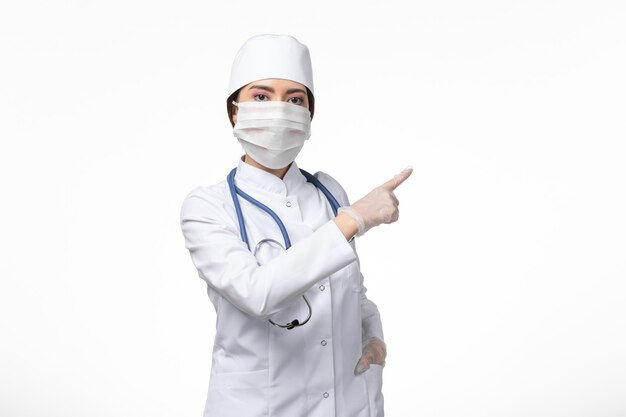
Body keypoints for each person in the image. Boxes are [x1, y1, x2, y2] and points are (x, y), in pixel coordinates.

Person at [180, 34, 412, 417]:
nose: (279, 108)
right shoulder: (207, 207)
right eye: (260, 96)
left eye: (294, 99)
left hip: (349, 403)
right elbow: (256, 293)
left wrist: (374, 336)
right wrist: (353, 220)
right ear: (234, 111)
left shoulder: (328, 191)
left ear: (308, 116)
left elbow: (352, 292)